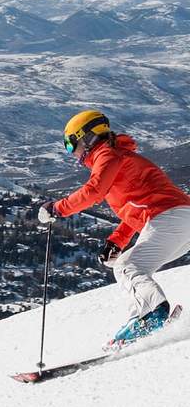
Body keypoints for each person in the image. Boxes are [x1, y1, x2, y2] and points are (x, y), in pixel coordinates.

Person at [38, 109, 190, 344]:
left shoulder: (107, 154)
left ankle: (153, 313)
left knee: (128, 266)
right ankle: (139, 320)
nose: (72, 153)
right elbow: (134, 209)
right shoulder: (118, 157)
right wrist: (116, 241)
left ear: (87, 137)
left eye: (71, 144)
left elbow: (94, 191)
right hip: (178, 220)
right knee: (128, 266)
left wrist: (57, 208)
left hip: (169, 218)